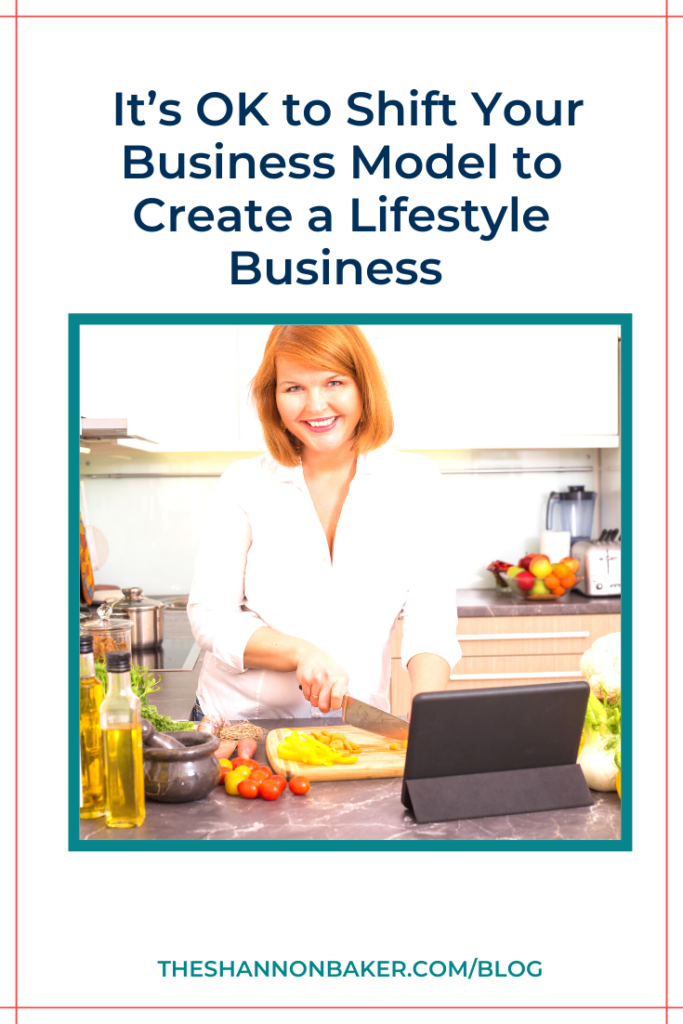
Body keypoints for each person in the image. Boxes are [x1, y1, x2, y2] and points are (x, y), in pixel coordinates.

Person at [188, 324, 460, 722]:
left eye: (334, 382)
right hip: (241, 727)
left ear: (362, 388)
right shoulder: (244, 483)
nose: (316, 406)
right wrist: (301, 652)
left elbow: (431, 619)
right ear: (274, 397)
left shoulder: (416, 481)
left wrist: (428, 713)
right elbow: (210, 616)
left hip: (356, 729)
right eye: (294, 388)